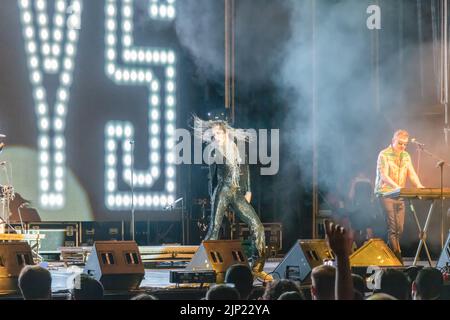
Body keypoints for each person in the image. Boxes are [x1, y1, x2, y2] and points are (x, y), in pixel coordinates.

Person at [194, 116, 270, 281]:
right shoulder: (214, 150)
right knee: (214, 228)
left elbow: (246, 168)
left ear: (225, 132)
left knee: (257, 226)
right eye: (214, 134)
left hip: (237, 193)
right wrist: (212, 196)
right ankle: (198, 266)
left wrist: (248, 190)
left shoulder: (236, 148)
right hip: (222, 191)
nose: (217, 136)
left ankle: (257, 267)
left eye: (219, 133)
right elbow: (211, 177)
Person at [374, 130, 424, 262]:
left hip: (399, 194)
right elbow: (384, 176)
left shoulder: (406, 155)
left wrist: (419, 185)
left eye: (405, 144)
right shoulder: (384, 154)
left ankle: (391, 253)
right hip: (385, 193)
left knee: (400, 228)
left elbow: (411, 173)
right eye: (400, 143)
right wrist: (397, 186)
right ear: (393, 141)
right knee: (392, 227)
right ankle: (397, 256)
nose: (403, 146)